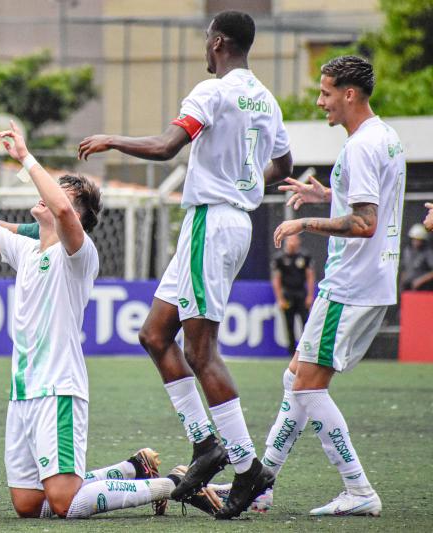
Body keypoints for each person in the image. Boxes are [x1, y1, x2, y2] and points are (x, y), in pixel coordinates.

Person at [78, 10, 292, 519]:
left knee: (200, 351)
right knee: (154, 334)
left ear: (217, 42)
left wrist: (111, 139)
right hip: (229, 221)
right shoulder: (266, 98)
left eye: (204, 41)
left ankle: (246, 467)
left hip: (210, 224)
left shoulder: (211, 91)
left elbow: (167, 145)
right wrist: (243, 182)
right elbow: (281, 165)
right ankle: (205, 445)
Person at [0, 123, 224, 520]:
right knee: (29, 505)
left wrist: (25, 156)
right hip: (22, 392)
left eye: (59, 192)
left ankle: (174, 483)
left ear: (76, 214)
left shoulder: (79, 254)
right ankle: (132, 469)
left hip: (58, 388)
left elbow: (64, 210)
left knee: (66, 503)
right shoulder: (27, 249)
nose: (45, 194)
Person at [261, 55, 405, 517]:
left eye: (325, 93)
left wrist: (308, 219)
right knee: (295, 379)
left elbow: (364, 223)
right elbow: (368, 203)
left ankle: (358, 488)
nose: (320, 101)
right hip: (368, 283)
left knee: (305, 389)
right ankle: (260, 484)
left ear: (348, 94)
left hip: (350, 285)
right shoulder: (384, 137)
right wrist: (327, 195)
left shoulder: (361, 145)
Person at [271, 234, 315, 353]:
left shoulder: (304, 256)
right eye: (290, 240)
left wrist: (310, 295)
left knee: (306, 322)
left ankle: (307, 349)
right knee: (289, 324)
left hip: (301, 293)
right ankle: (292, 351)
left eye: (295, 240)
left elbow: (310, 276)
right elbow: (276, 279)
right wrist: (279, 298)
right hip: (288, 294)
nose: (292, 243)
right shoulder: (279, 258)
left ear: (299, 242)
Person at [400, 223, 433, 291]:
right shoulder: (407, 251)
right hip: (408, 287)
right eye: (414, 239)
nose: (416, 242)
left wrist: (420, 281)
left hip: (422, 289)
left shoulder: (427, 253)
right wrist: (402, 283)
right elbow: (404, 269)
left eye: (418, 240)